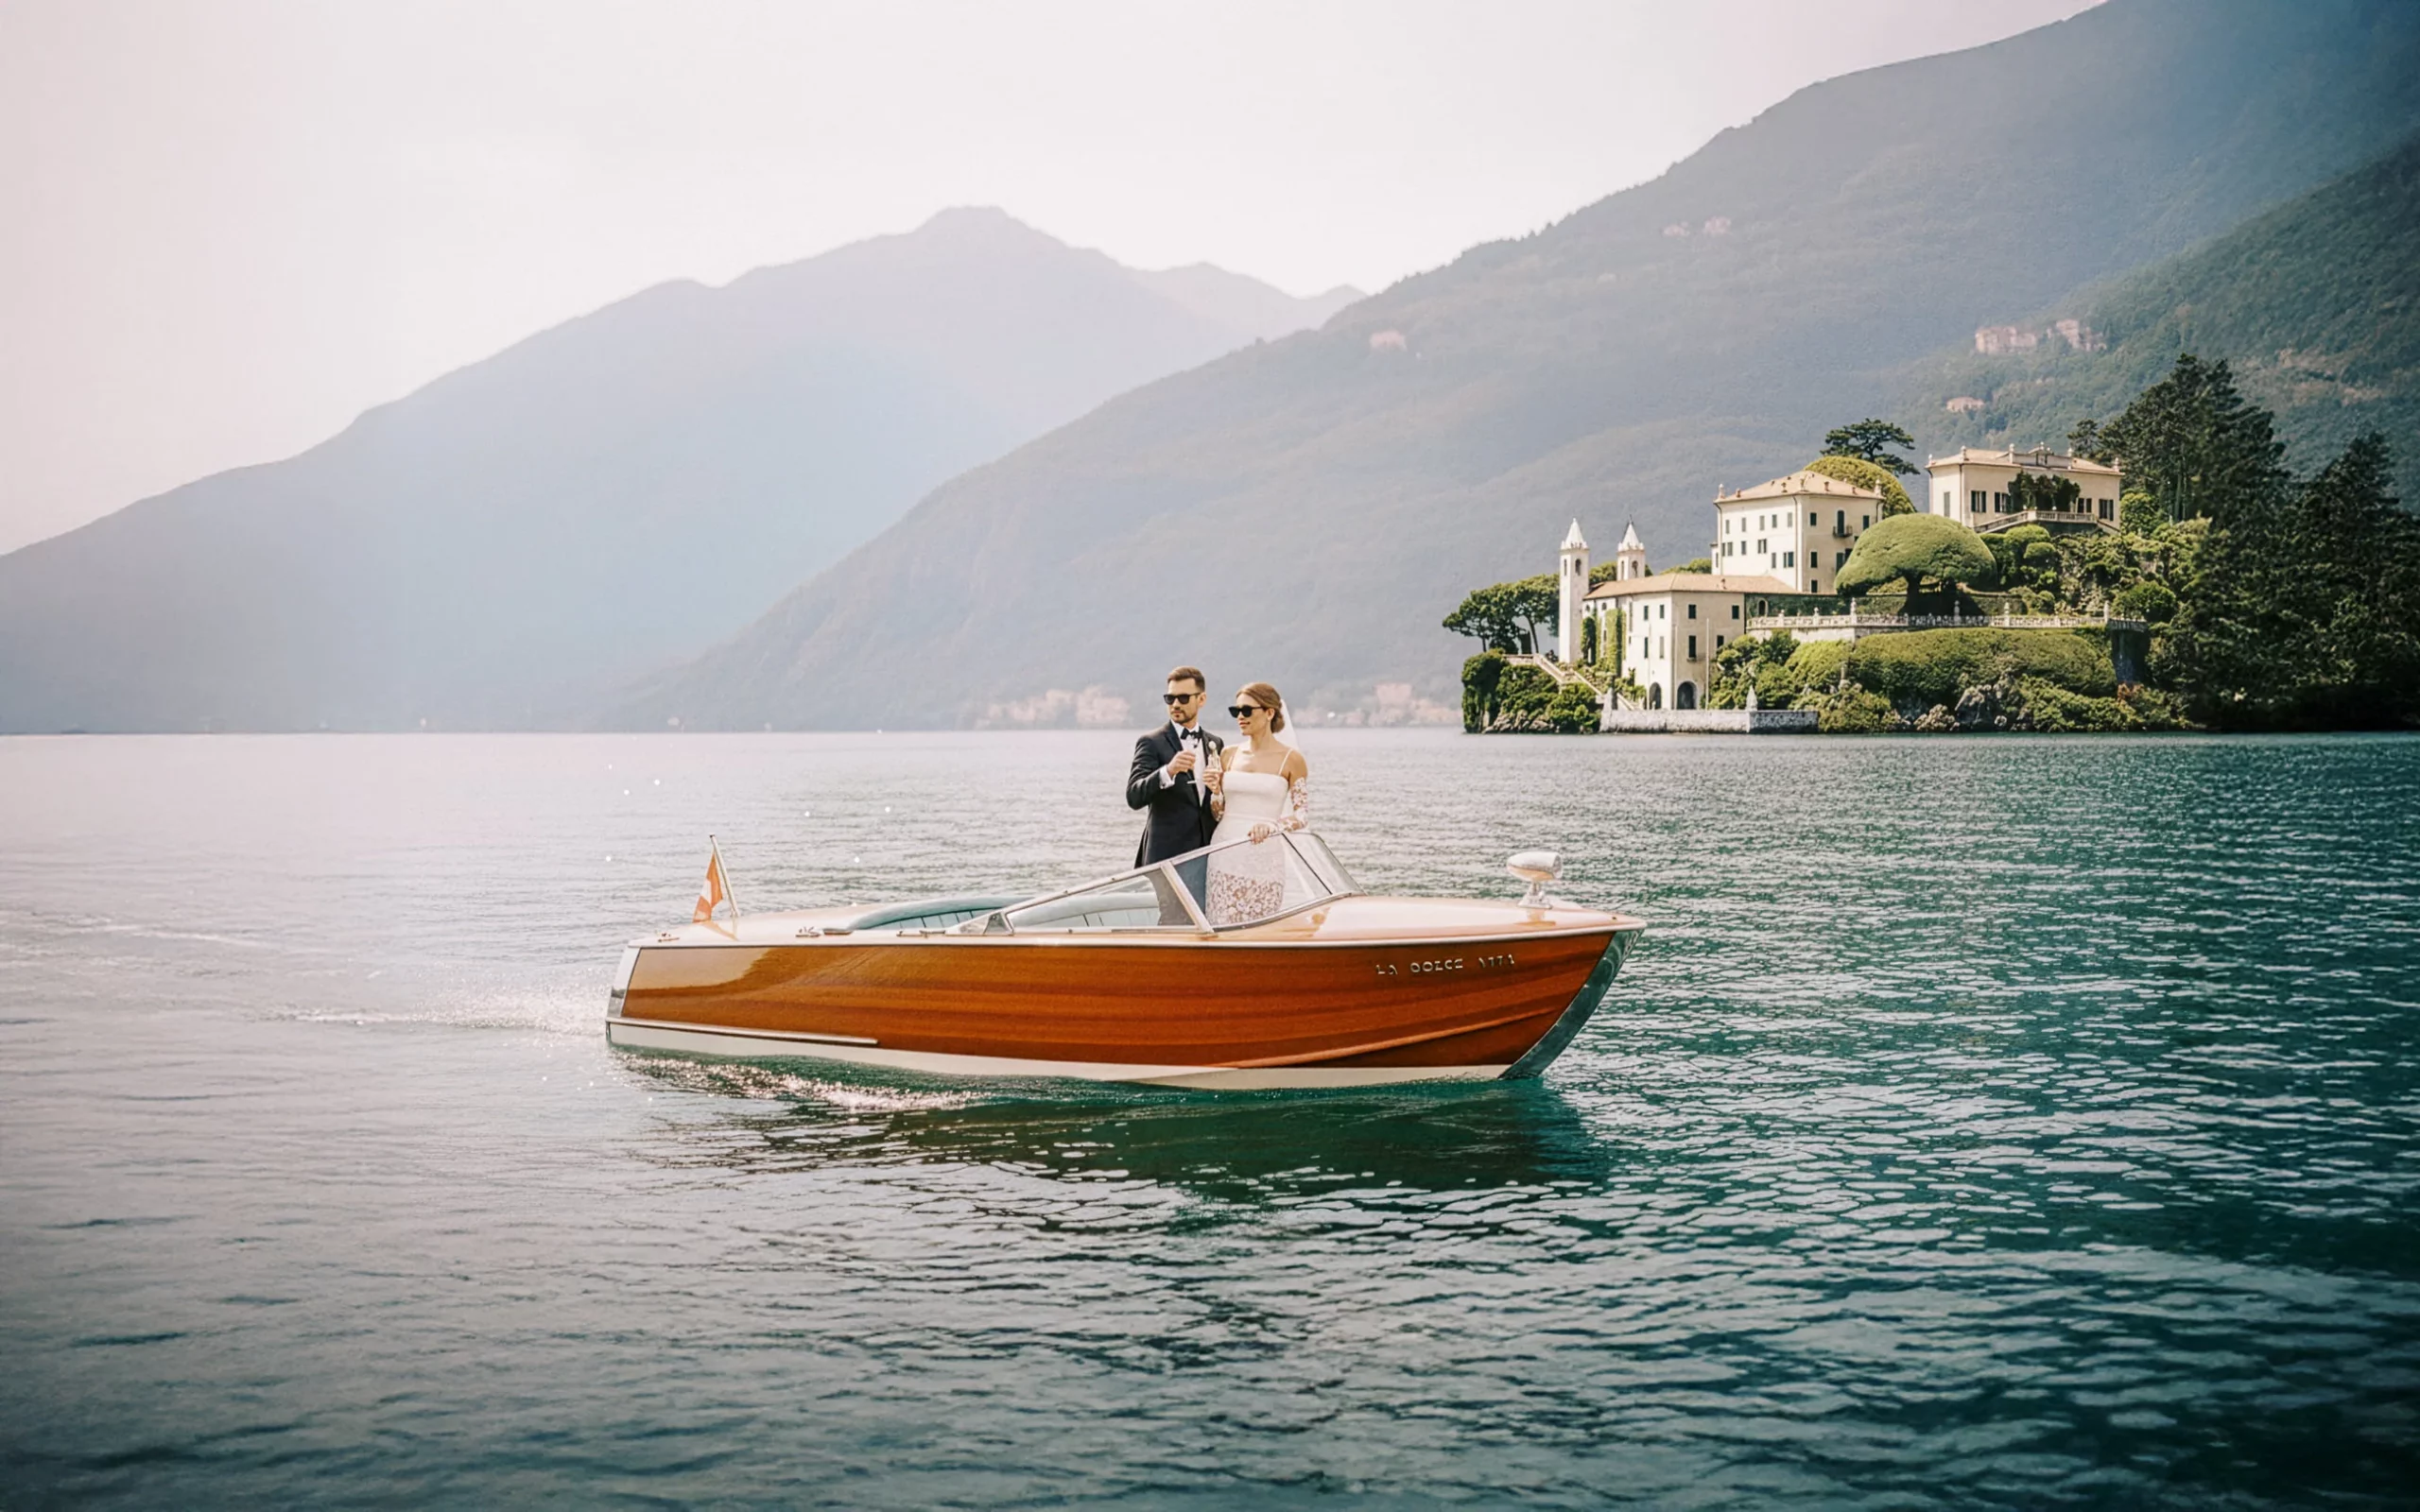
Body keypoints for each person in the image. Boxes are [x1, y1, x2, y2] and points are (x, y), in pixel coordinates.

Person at [1204, 682, 1310, 925]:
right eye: (1236, 711)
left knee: (1260, 927)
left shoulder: (1292, 760)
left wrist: (1272, 826)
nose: (1240, 717)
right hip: (1224, 852)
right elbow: (1218, 813)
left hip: (1264, 857)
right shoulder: (1228, 755)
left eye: (1247, 711)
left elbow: (1302, 816)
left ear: (1269, 713)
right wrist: (1215, 791)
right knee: (1221, 925)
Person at [1126, 667, 1225, 888]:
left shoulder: (1215, 743)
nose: (1175, 704)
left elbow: (1215, 803)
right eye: (1170, 698)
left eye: (1183, 697)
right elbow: (1134, 796)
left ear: (1202, 699)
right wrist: (1167, 771)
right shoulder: (1151, 742)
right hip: (1167, 859)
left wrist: (1218, 790)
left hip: (1208, 855)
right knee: (1171, 921)